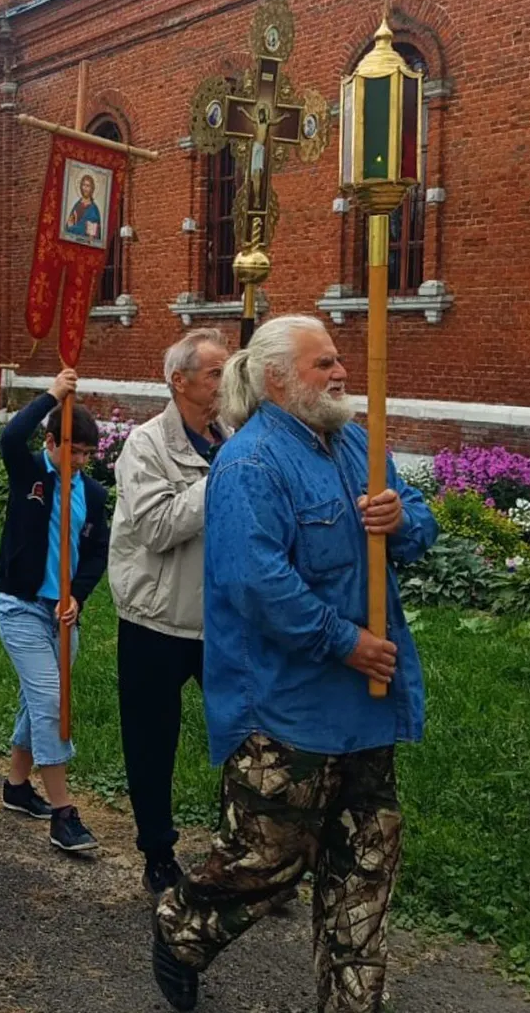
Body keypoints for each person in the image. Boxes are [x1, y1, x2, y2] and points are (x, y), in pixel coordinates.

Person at [150, 316, 439, 1013]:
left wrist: (402, 522)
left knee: (365, 867)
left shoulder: (359, 447)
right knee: (267, 862)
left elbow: (422, 527)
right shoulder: (250, 464)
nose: (341, 373)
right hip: (286, 710)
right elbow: (256, 585)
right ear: (278, 379)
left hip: (367, 707)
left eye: (340, 361)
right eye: (324, 364)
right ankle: (184, 929)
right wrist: (345, 642)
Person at [110, 328, 231, 896]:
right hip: (156, 619)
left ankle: (245, 852)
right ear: (179, 381)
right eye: (214, 373)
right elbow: (156, 528)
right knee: (152, 741)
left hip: (224, 619)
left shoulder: (232, 438)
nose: (225, 382)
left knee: (245, 736)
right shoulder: (146, 444)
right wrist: (225, 478)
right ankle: (157, 851)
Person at [0, 368, 110, 853]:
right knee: (50, 702)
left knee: (34, 700)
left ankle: (17, 786)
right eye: (71, 450)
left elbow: (96, 553)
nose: (78, 461)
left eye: (86, 453)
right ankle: (64, 813)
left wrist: (77, 595)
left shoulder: (94, 494)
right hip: (19, 606)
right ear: (52, 441)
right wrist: (52, 395)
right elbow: (11, 436)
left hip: (61, 612)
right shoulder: (30, 473)